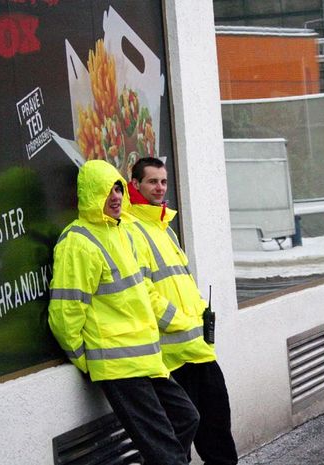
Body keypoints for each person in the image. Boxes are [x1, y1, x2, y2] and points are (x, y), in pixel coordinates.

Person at [48, 159, 199, 465]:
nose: (116, 196)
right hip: (118, 366)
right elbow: (66, 312)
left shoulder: (121, 233)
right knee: (167, 454)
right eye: (107, 190)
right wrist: (85, 359)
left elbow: (140, 293)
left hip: (146, 360)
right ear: (91, 194)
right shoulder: (78, 242)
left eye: (118, 188)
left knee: (188, 418)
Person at [126, 157, 238, 465]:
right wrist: (178, 321)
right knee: (178, 447)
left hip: (199, 350)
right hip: (171, 359)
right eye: (152, 181)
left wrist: (202, 315)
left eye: (163, 181)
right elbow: (142, 293)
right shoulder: (131, 231)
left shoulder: (165, 228)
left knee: (219, 440)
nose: (160, 187)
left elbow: (184, 282)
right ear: (135, 185)